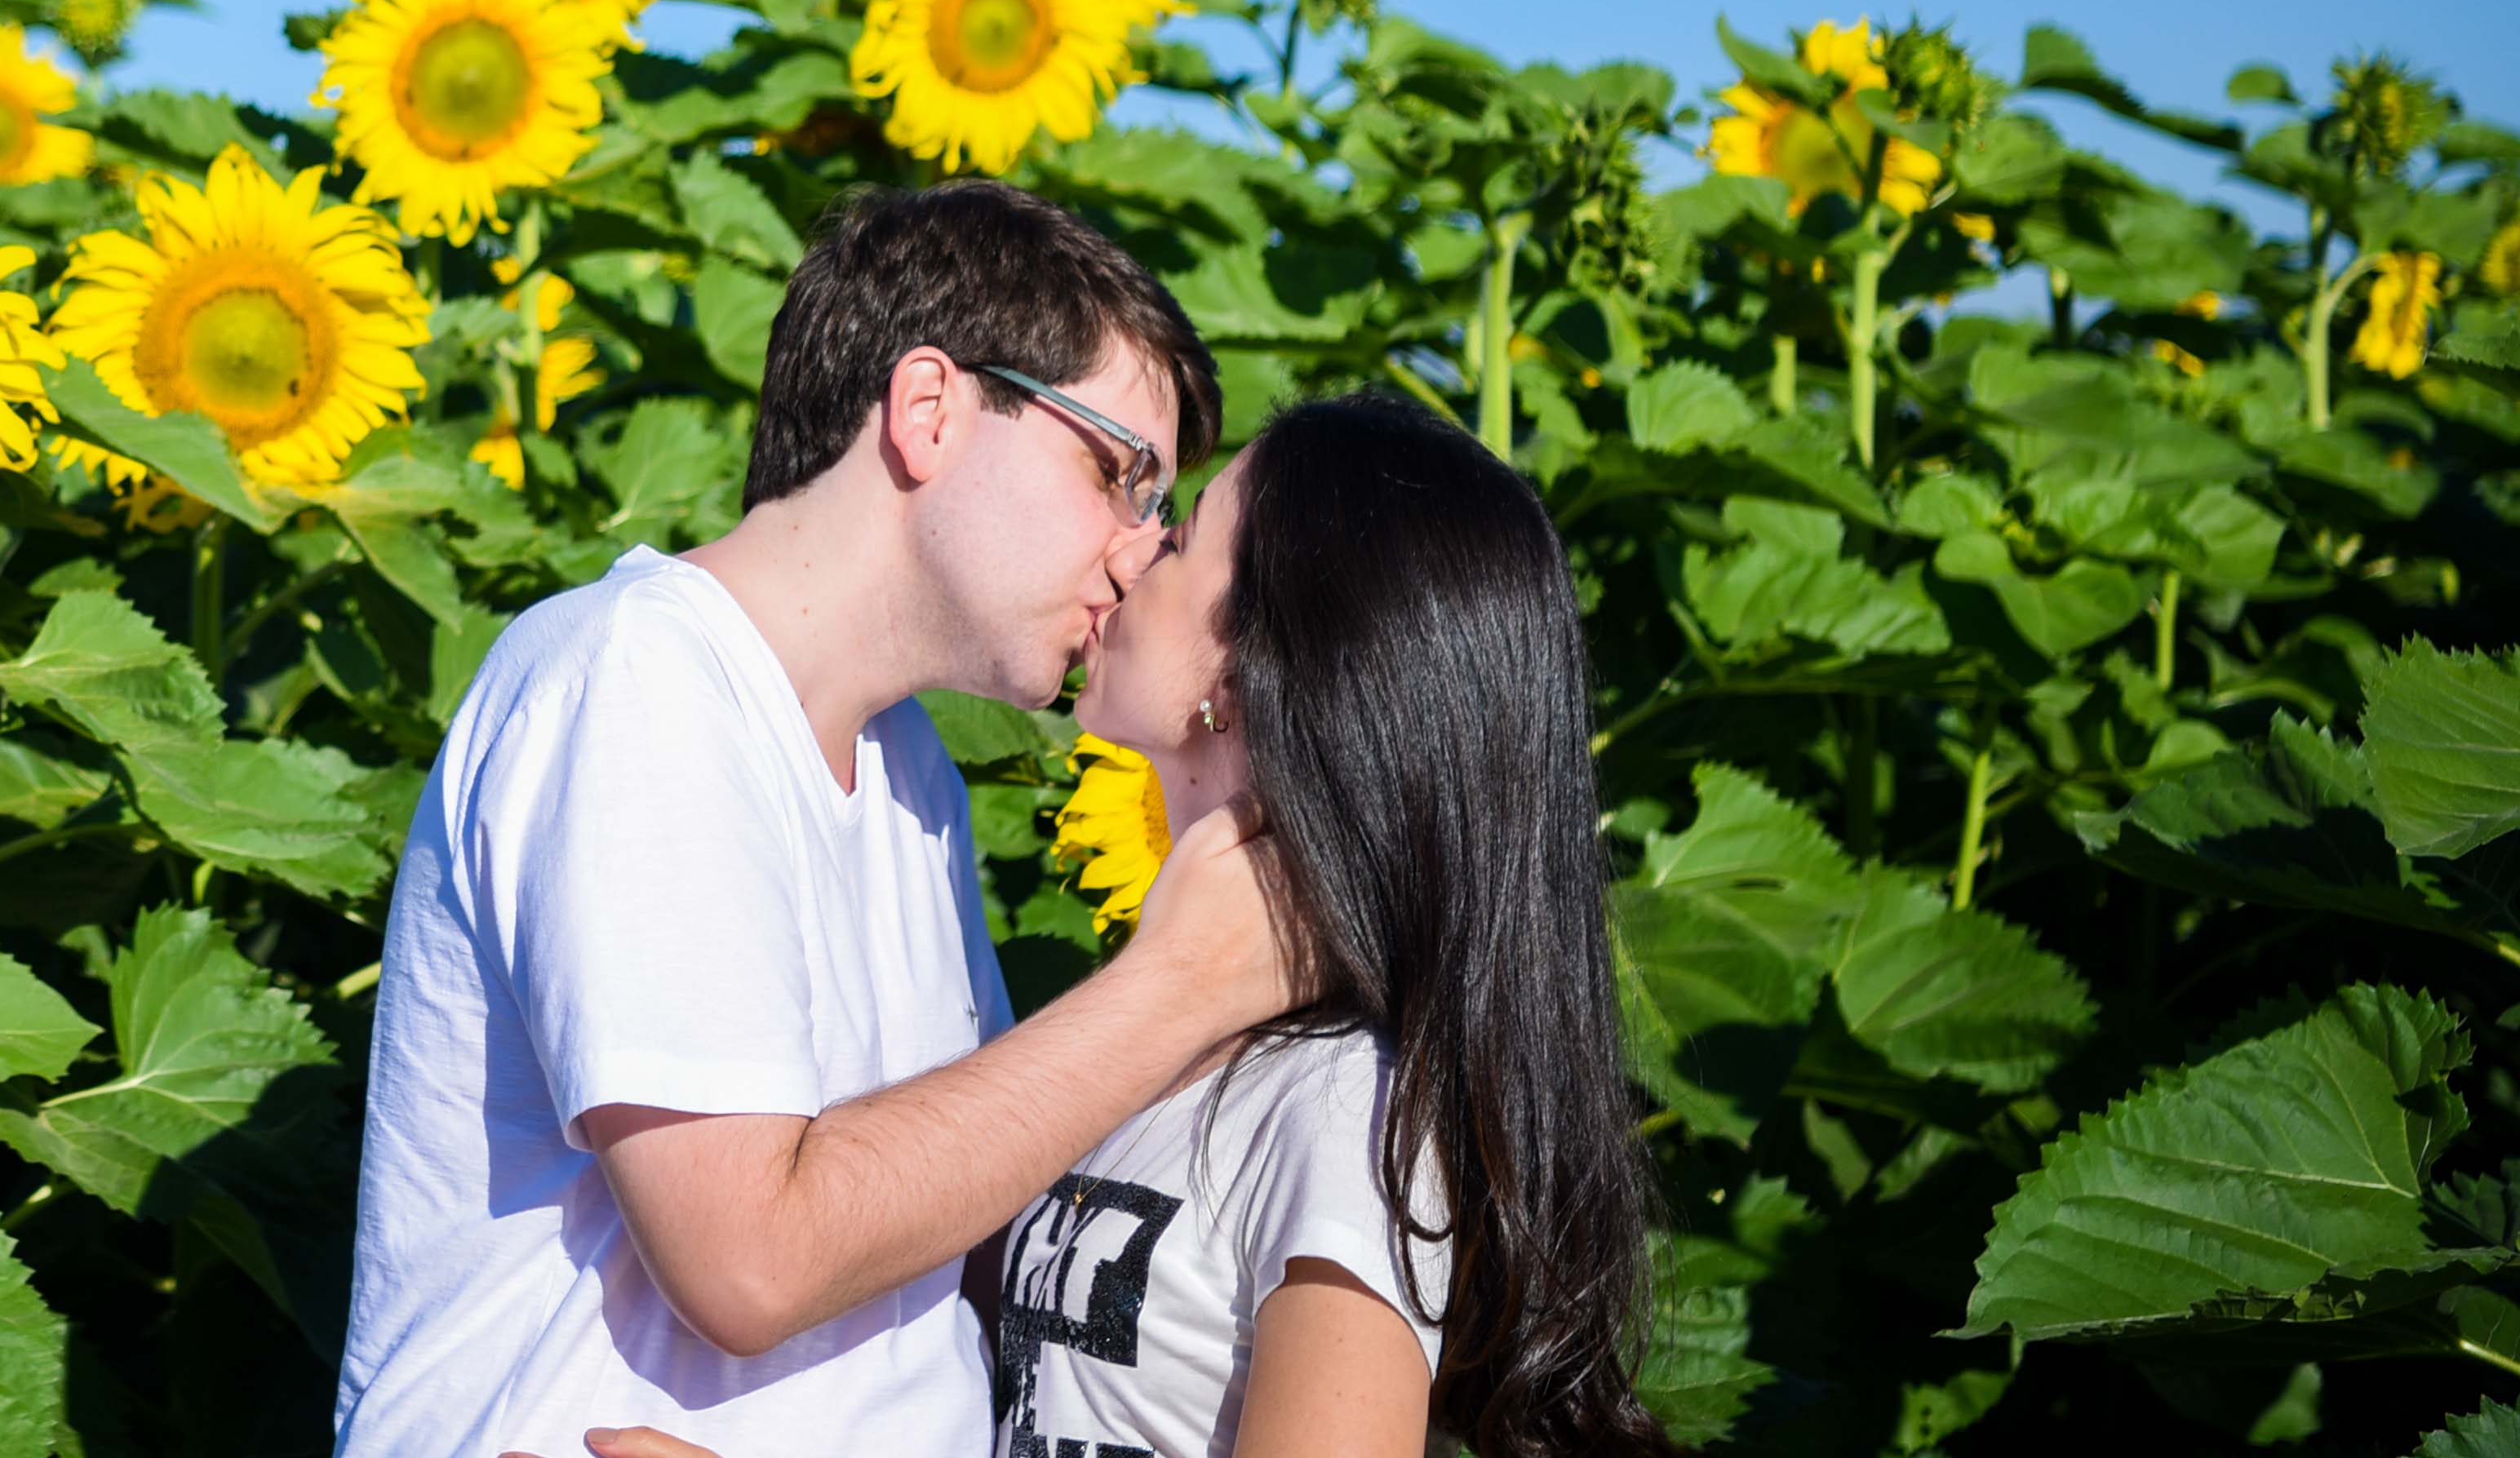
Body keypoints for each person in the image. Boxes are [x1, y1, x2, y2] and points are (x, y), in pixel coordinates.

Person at [338, 181, 1298, 1458]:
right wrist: (1185, 981)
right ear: (928, 409)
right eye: (1121, 474)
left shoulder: (909, 772)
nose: (1138, 551)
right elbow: (751, 1261)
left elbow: (959, 1202)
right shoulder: (639, 678)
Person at [546, 391, 1675, 1458]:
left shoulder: (1346, 1108)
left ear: (1244, 679)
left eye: (1181, 542)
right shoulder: (1153, 1054)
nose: (1133, 550)